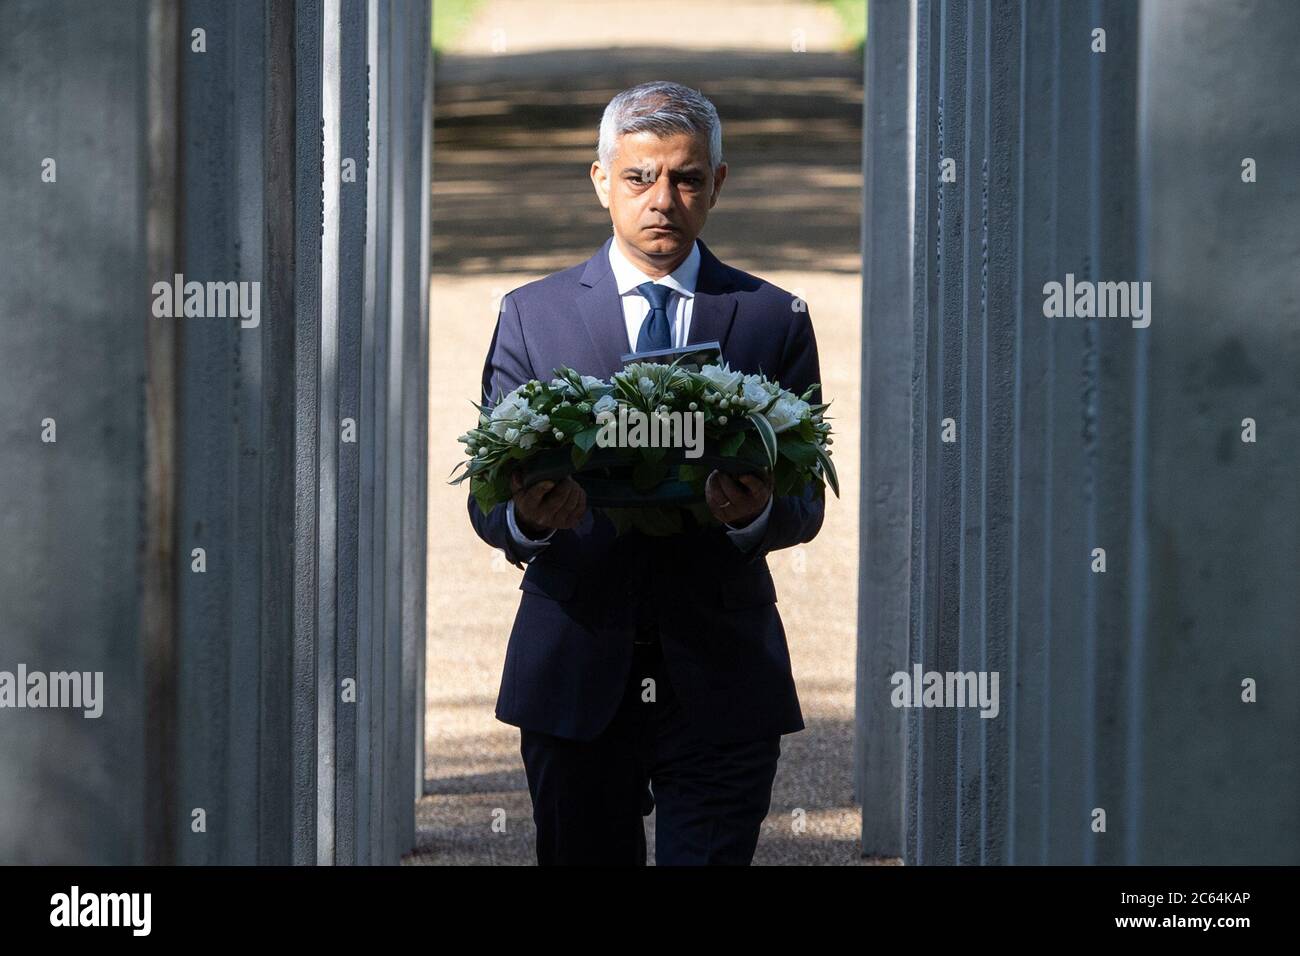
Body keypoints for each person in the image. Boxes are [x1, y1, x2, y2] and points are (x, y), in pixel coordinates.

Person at [467, 80, 824, 865]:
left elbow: (804, 501)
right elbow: (491, 505)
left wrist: (754, 513)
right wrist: (531, 516)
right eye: (639, 177)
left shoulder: (773, 317)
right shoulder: (534, 314)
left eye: (687, 177)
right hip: (575, 669)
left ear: (717, 184)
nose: (663, 198)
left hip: (724, 672)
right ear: (601, 181)